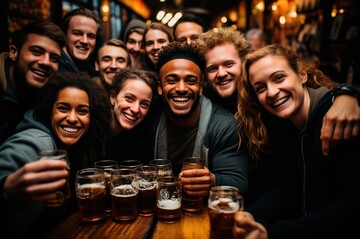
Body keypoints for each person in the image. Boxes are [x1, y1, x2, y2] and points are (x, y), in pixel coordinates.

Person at [234, 44, 360, 239]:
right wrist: (250, 214)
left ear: (302, 75)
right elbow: (287, 188)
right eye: (261, 88)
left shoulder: (337, 116)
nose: (272, 92)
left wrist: (271, 234)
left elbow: (352, 207)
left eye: (278, 78)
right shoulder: (285, 124)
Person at [197, 27, 360, 156]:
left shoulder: (268, 102)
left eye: (228, 64)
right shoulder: (204, 101)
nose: (221, 73)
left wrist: (347, 94)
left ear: (242, 63)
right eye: (212, 68)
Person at [0, 71, 111, 239]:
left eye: (82, 111)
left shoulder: (78, 149)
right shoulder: (37, 141)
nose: (72, 118)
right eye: (63, 108)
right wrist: (6, 188)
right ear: (50, 111)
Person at [150, 42, 249, 197]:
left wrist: (213, 181)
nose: (181, 88)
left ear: (201, 88)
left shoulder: (224, 125)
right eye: (171, 80)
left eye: (191, 81)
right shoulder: (151, 120)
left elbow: (239, 182)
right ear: (160, 88)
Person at [0, 20, 66, 145]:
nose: (46, 62)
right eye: (36, 52)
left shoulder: (49, 95)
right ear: (14, 52)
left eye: (54, 58)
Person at [106, 69, 158, 162]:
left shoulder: (139, 140)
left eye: (144, 104)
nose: (135, 109)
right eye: (129, 98)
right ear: (113, 97)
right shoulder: (92, 131)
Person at [59, 7, 101, 76]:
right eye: (77, 33)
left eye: (91, 36)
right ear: (65, 35)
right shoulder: (55, 68)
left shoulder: (89, 69)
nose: (85, 41)